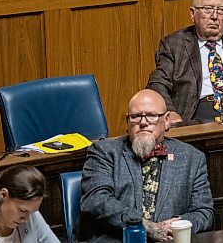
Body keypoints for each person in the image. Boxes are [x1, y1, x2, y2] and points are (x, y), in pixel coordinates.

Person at [78, 89, 214, 242]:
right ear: (127, 122)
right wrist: (144, 225)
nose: (143, 122)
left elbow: (204, 212)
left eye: (151, 116)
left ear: (167, 120)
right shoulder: (104, 152)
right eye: (135, 117)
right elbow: (96, 201)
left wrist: (179, 225)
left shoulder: (192, 158)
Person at [0, 165, 59, 242]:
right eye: (22, 210)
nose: (25, 219)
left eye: (32, 212)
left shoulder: (32, 217)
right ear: (3, 195)